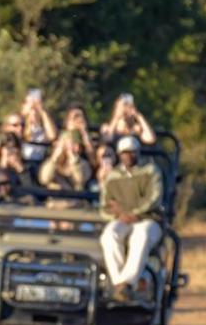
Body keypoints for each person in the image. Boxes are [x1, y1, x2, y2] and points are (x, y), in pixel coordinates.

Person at [99, 135, 163, 300]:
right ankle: (120, 284)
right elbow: (105, 206)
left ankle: (126, 283)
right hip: (121, 219)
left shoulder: (150, 171)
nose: (129, 156)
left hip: (148, 219)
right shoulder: (113, 176)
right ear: (119, 155)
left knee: (140, 236)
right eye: (125, 153)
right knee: (109, 236)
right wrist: (121, 214)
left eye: (132, 152)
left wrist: (134, 212)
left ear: (138, 153)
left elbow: (154, 199)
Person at [39, 128, 93, 193]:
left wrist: (74, 163)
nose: (75, 148)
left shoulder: (84, 164)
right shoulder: (51, 162)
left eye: (77, 144)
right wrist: (54, 158)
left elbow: (80, 180)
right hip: (55, 200)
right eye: (72, 144)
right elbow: (44, 179)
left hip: (76, 200)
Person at [18, 89, 58, 162]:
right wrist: (28, 117)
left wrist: (42, 110)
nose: (34, 107)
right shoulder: (19, 123)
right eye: (30, 103)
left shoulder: (44, 125)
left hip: (40, 162)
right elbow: (26, 136)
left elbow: (52, 136)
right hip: (22, 161)